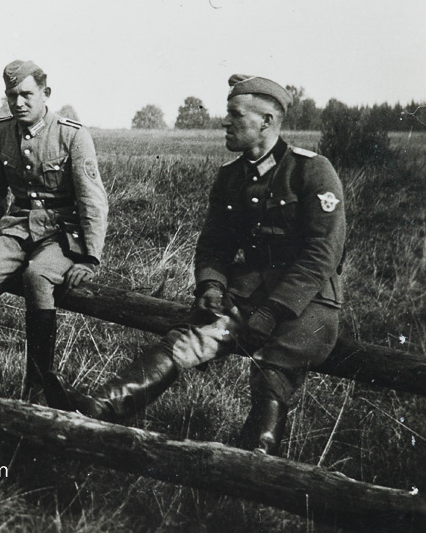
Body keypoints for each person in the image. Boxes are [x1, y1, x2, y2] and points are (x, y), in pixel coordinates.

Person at [44, 74, 346, 455]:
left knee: (274, 368)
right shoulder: (230, 177)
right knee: (184, 340)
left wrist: (272, 311)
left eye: (235, 115)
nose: (224, 121)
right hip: (248, 293)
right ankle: (99, 407)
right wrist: (211, 287)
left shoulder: (311, 171)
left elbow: (323, 253)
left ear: (267, 121)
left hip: (309, 303)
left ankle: (256, 459)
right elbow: (214, 246)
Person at [0, 60, 108, 399]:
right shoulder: (1, 132)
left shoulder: (72, 135)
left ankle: (38, 385)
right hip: (16, 227)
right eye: (12, 95)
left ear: (46, 94)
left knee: (37, 277)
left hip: (61, 231)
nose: (19, 103)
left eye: (27, 94)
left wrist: (90, 258)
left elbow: (92, 202)